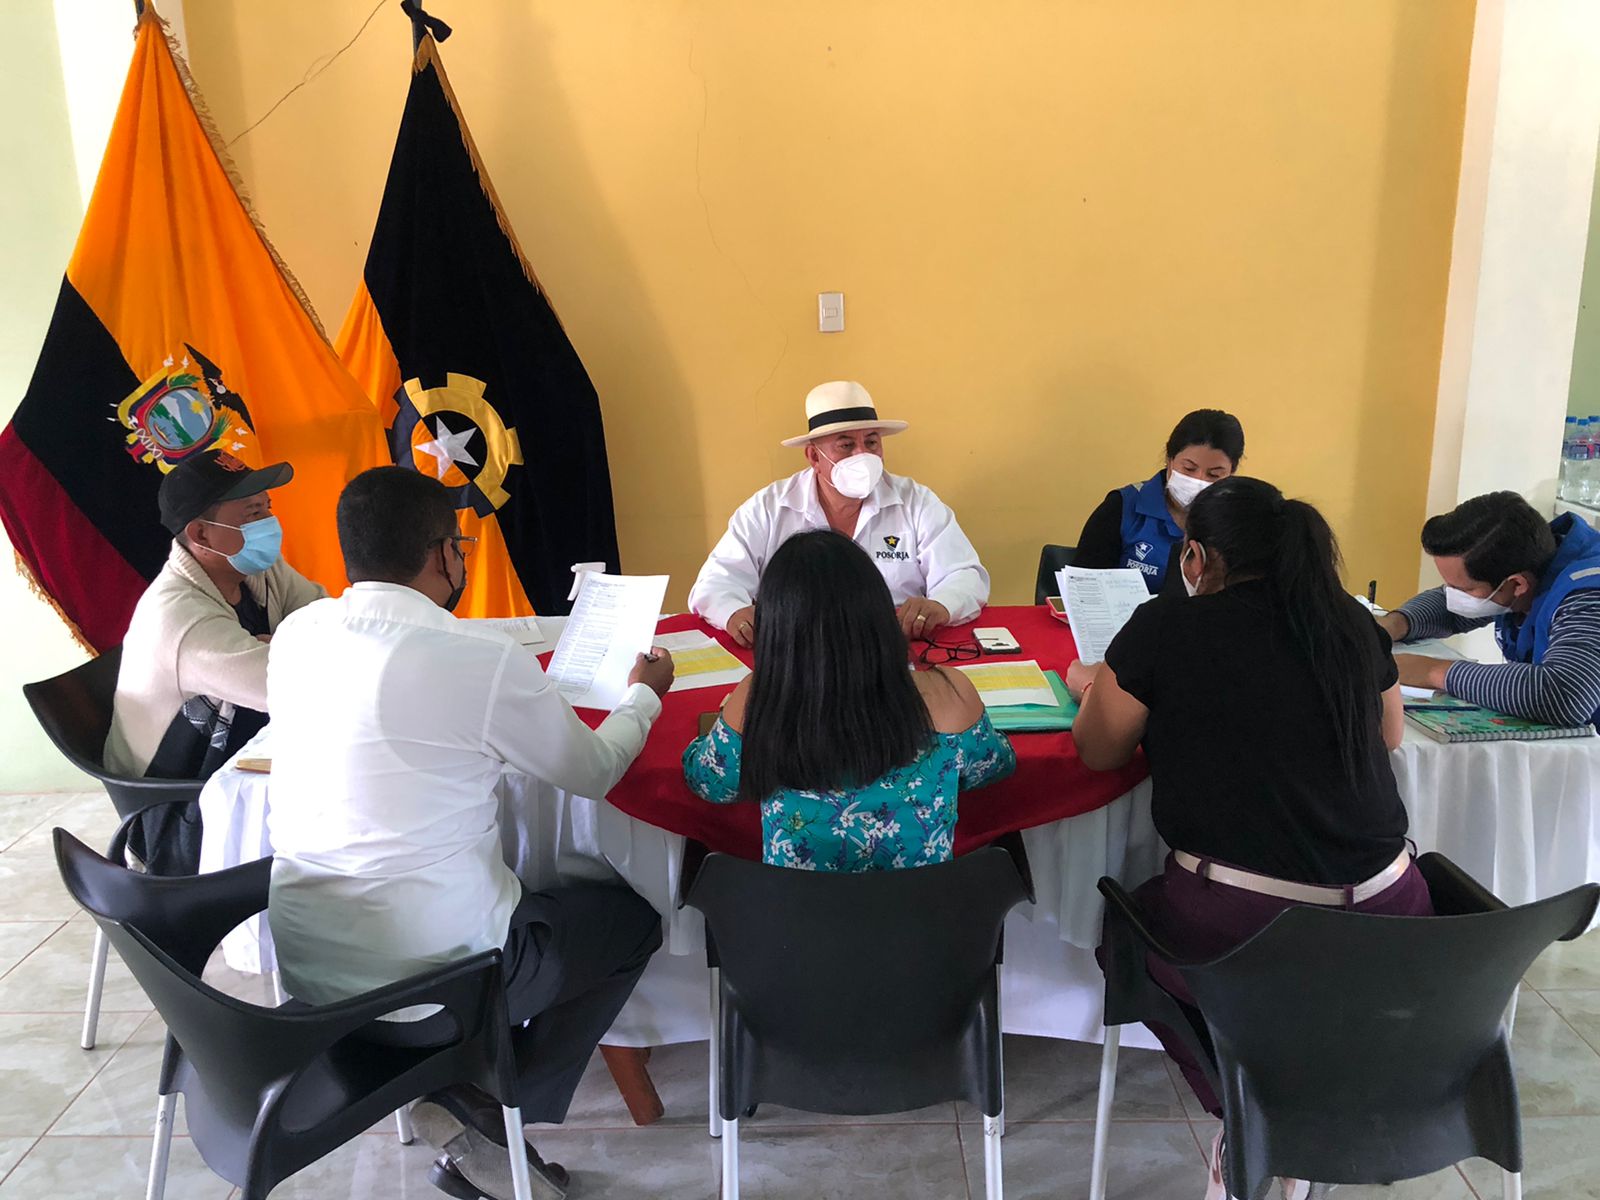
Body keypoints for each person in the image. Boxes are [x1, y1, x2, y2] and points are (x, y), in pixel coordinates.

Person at [265, 467, 675, 1200]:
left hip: (310, 970)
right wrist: (643, 696)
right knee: (632, 919)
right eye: (459, 547)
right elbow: (591, 771)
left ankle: (460, 1091)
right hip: (440, 984)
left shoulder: (299, 633)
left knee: (514, 885)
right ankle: (492, 1107)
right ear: (441, 555)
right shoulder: (474, 661)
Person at [1067, 477, 1426, 1200]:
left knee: (1123, 933)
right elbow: (1390, 734)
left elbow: (1100, 751)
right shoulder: (1350, 623)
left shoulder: (1167, 626)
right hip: (1394, 917)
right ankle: (1291, 1100)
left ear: (1196, 557)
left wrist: (1093, 686)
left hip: (1245, 928)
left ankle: (1254, 1110)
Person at [683, 529, 1015, 870]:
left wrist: (718, 726)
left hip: (792, 904)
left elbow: (709, 782)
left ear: (775, 629)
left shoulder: (755, 699)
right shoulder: (951, 693)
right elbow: (994, 766)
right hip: (928, 903)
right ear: (882, 614)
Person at [103, 450, 323, 873]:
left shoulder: (257, 570)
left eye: (267, 508)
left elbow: (326, 618)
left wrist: (274, 646)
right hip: (176, 812)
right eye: (252, 513)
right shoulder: (181, 618)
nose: (269, 522)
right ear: (201, 534)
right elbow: (292, 688)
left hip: (229, 767)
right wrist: (284, 650)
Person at [688, 380, 990, 648]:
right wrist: (735, 614)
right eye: (846, 445)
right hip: (796, 652)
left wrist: (940, 605)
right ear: (813, 456)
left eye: (871, 442)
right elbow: (716, 582)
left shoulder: (917, 503)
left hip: (892, 647)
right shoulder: (768, 508)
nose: (862, 455)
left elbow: (965, 576)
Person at [1378, 492, 1600, 727]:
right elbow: (1448, 607)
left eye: (1462, 589)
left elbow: (1565, 694)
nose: (1451, 594)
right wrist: (1389, 627)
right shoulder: (1525, 559)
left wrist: (1434, 672)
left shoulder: (1588, 596)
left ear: (1517, 585)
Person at [1073, 409, 1245, 594]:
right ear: (1169, 460)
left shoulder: (1239, 523)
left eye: (1214, 475)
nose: (1199, 481)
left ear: (1231, 473)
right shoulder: (1122, 507)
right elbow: (1084, 589)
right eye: (1189, 468)